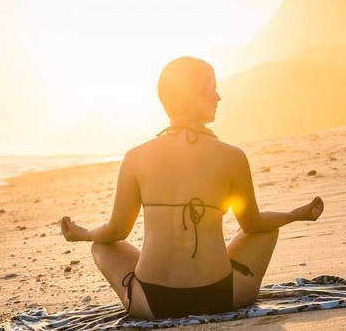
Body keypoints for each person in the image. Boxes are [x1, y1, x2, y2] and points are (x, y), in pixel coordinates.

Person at [60, 56, 324, 319]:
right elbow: (253, 225)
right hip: (220, 297)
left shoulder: (136, 157)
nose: (218, 97)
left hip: (153, 304)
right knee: (267, 230)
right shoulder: (232, 156)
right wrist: (294, 215)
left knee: (101, 246)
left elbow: (116, 231)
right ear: (192, 96)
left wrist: (82, 234)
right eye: (211, 89)